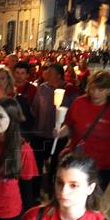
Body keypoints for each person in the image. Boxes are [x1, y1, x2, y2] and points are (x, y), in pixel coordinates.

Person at [54, 71, 110, 192]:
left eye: (100, 90)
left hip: (103, 166)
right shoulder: (79, 103)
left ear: (109, 91)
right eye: (92, 88)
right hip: (78, 163)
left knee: (94, 200)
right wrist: (60, 132)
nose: (95, 93)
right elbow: (69, 125)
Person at [30, 63, 79, 197]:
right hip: (40, 134)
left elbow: (75, 113)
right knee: (37, 163)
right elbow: (35, 108)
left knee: (55, 166)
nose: (46, 75)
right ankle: (36, 193)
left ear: (58, 75)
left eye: (50, 73)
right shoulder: (42, 88)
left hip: (58, 136)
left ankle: (53, 192)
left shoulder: (70, 91)